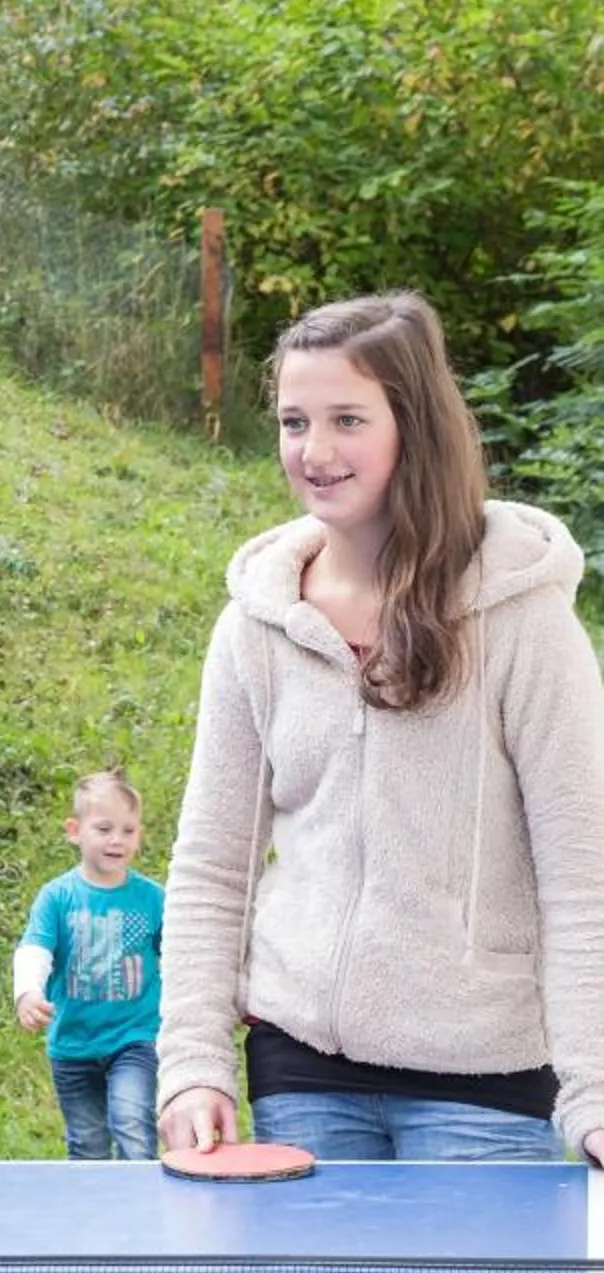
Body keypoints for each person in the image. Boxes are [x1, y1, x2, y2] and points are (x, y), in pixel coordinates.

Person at [157, 290, 604, 1165]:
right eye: (294, 421)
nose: (314, 452)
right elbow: (213, 868)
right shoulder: (257, 626)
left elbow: (582, 876)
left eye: (347, 420)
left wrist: (592, 1088)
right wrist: (194, 1063)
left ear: (415, 426)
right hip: (302, 1076)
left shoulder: (524, 620)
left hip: (485, 1087)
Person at [13, 769, 164, 1159]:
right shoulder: (57, 897)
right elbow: (36, 949)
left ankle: (143, 1210)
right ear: (74, 830)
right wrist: (27, 991)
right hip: (72, 1045)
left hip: (136, 1038)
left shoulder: (153, 899)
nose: (117, 840)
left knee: (131, 1121)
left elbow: (182, 959)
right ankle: (95, 1217)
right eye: (104, 828)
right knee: (88, 1142)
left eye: (128, 830)